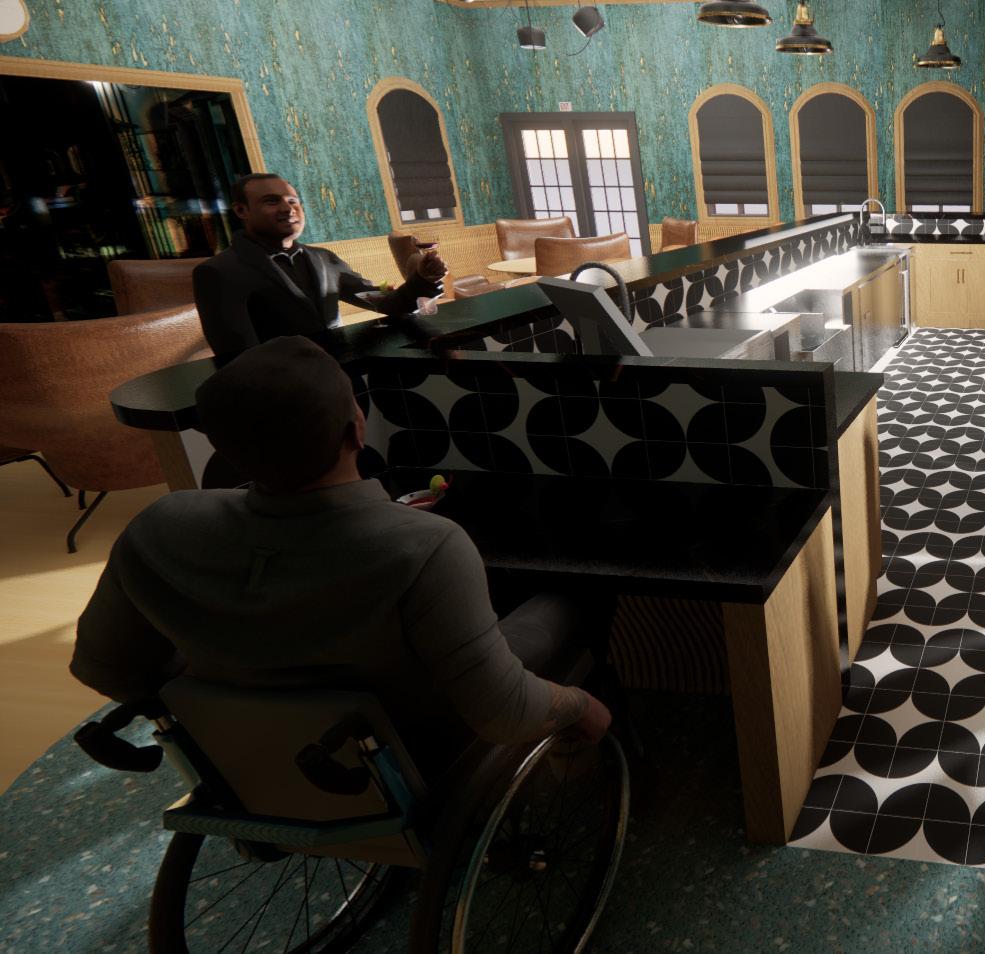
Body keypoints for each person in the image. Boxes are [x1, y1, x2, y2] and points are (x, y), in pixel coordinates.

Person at [70, 336, 610, 771]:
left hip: (258, 763)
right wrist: (579, 704)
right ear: (356, 430)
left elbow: (104, 666)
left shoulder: (159, 525)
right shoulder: (425, 546)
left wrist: (228, 701)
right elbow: (503, 714)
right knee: (573, 595)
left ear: (225, 448)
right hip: (415, 754)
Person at [193, 173, 448, 357]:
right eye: (271, 201)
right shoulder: (218, 272)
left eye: (292, 201)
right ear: (241, 211)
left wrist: (424, 279)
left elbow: (387, 304)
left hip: (346, 380)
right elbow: (240, 358)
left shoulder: (324, 259)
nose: (288, 209)